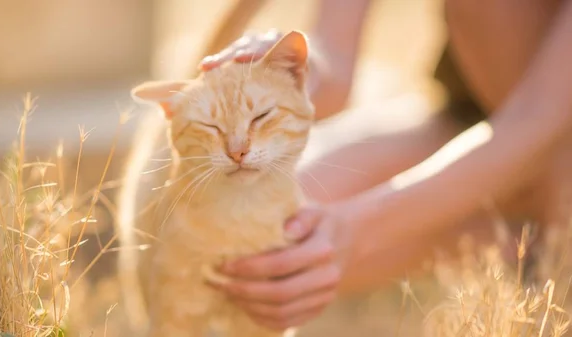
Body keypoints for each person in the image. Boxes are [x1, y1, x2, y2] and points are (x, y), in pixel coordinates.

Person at [199, 0, 572, 331]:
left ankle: (545, 243)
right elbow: (335, 65)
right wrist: (291, 73)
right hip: (473, 118)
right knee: (260, 229)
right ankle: (517, 239)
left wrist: (357, 229)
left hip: (544, 127)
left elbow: (539, 117)